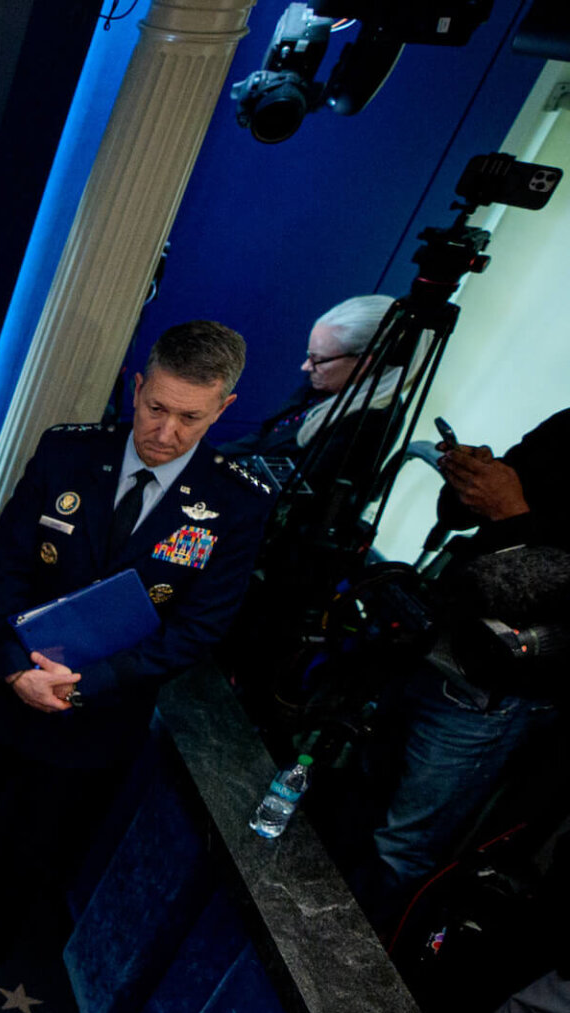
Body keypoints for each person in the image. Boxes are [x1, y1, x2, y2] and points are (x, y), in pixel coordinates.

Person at [0, 321, 273, 966]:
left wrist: (85, 684)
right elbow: (4, 565)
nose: (166, 432)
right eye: (155, 408)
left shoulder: (236, 503)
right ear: (137, 384)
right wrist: (17, 668)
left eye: (190, 418)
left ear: (224, 409)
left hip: (100, 705)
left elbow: (200, 628)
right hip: (5, 680)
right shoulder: (68, 453)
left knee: (41, 832)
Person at [370, 408, 570, 914]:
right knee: (360, 796)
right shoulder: (566, 427)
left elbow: (553, 590)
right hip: (436, 642)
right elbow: (463, 515)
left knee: (401, 849)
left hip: (491, 692)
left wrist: (513, 514)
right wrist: (470, 479)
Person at [220, 295, 401, 463]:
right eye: (310, 355)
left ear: (364, 364)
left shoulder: (368, 423)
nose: (306, 367)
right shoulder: (325, 381)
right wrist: (212, 459)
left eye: (318, 359)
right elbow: (264, 437)